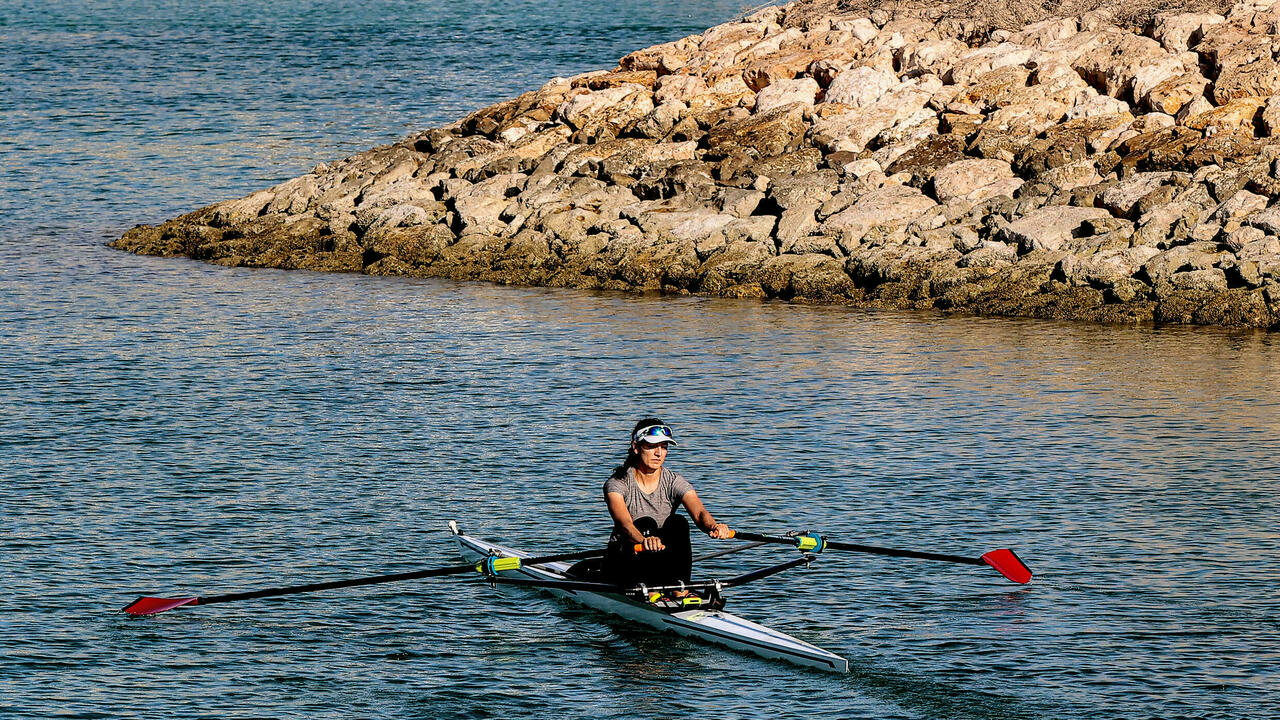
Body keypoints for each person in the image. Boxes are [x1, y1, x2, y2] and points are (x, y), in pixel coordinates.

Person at [596, 418, 733, 596]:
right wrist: (644, 541)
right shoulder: (617, 483)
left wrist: (713, 526)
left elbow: (699, 513)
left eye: (664, 447)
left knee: (679, 522)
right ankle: (651, 592)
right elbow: (625, 524)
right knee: (646, 523)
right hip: (623, 560)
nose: (659, 453)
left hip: (659, 559)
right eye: (652, 446)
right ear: (636, 447)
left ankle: (679, 589)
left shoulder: (673, 480)